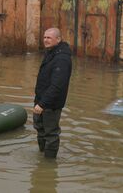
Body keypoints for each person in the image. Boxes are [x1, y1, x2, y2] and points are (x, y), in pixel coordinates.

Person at [33, 28, 72, 159]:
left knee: (51, 134)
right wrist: (38, 101)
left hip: (51, 104)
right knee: (40, 130)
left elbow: (58, 85)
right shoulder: (51, 53)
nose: (45, 40)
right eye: (44, 37)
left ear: (58, 39)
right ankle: (42, 156)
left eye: (49, 38)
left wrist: (42, 104)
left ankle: (48, 165)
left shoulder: (62, 58)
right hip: (41, 101)